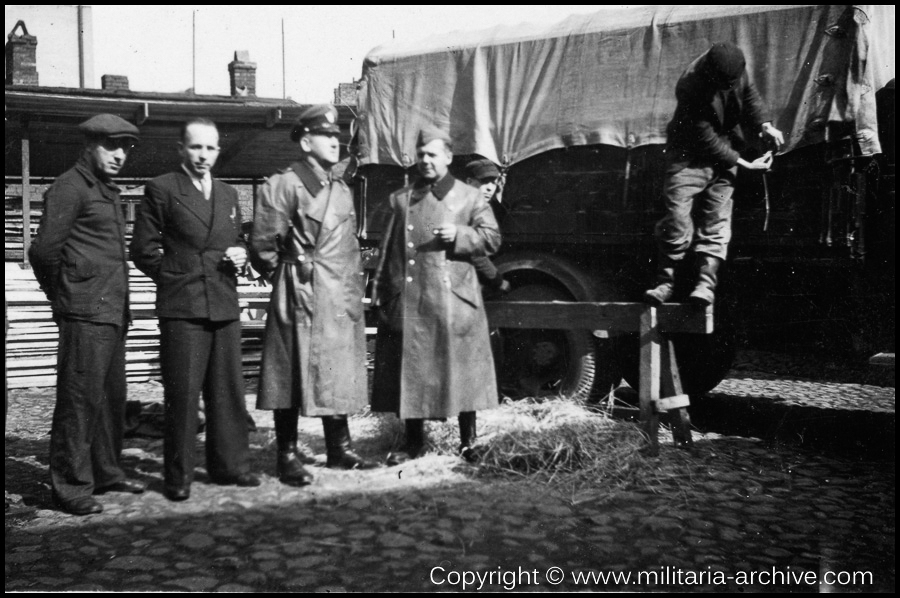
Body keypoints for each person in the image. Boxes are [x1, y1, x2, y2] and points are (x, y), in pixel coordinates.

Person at [131, 118, 260, 501]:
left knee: (228, 392)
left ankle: (231, 466)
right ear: (181, 149)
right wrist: (177, 280)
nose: (204, 155)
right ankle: (178, 475)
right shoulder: (162, 189)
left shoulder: (228, 194)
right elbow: (143, 250)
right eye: (196, 147)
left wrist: (242, 253)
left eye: (211, 148)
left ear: (219, 151)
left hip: (223, 303)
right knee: (183, 395)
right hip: (183, 308)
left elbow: (234, 241)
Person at [250, 104, 376, 487]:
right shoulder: (285, 184)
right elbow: (262, 245)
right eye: (327, 136)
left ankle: (340, 448)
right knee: (287, 371)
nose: (335, 142)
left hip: (337, 292)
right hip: (300, 290)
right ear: (306, 141)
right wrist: (291, 271)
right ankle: (286, 454)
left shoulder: (339, 186)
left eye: (338, 136)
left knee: (335, 367)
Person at [28, 114, 147, 515]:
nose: (119, 156)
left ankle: (107, 471)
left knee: (111, 399)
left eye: (125, 149)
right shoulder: (69, 187)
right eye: (111, 146)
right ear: (89, 146)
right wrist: (64, 297)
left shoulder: (106, 190)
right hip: (84, 311)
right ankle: (70, 487)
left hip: (111, 310)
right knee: (78, 401)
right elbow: (43, 252)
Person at [371, 126, 501, 465]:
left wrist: (461, 234)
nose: (426, 160)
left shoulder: (469, 197)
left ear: (447, 157)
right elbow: (387, 252)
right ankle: (414, 442)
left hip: (455, 300)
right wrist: (381, 295)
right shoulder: (401, 200)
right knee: (413, 370)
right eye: (421, 154)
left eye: (432, 154)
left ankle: (468, 442)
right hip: (414, 298)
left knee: (462, 372)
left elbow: (492, 239)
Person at [645, 42, 784, 306]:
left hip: (726, 153)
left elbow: (750, 95)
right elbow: (705, 137)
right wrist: (745, 164)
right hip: (689, 156)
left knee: (717, 221)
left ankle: (705, 286)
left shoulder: (734, 68)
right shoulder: (690, 86)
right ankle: (665, 283)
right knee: (676, 218)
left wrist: (765, 125)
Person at [464, 158, 510, 295]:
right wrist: (498, 281)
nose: (490, 188)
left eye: (493, 183)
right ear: (469, 182)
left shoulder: (480, 206)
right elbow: (474, 252)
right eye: (484, 182)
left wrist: (499, 194)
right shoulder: (462, 208)